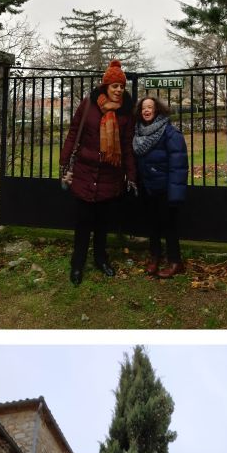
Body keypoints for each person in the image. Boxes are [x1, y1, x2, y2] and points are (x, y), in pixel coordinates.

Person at [60, 59, 138, 285]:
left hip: (110, 175)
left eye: (121, 87)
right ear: (105, 86)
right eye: (115, 86)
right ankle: (77, 264)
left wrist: (131, 175)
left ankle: (101, 259)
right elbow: (75, 132)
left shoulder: (126, 112)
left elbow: (126, 144)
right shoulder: (88, 105)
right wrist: (64, 160)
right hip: (85, 171)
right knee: (83, 223)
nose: (119, 90)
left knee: (103, 224)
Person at [133, 96, 189, 278]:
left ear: (157, 109)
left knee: (169, 226)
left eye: (150, 107)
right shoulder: (139, 132)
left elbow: (178, 165)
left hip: (165, 188)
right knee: (153, 226)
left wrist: (175, 193)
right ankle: (155, 257)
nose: (146, 110)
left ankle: (175, 261)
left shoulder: (169, 132)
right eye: (143, 108)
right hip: (147, 187)